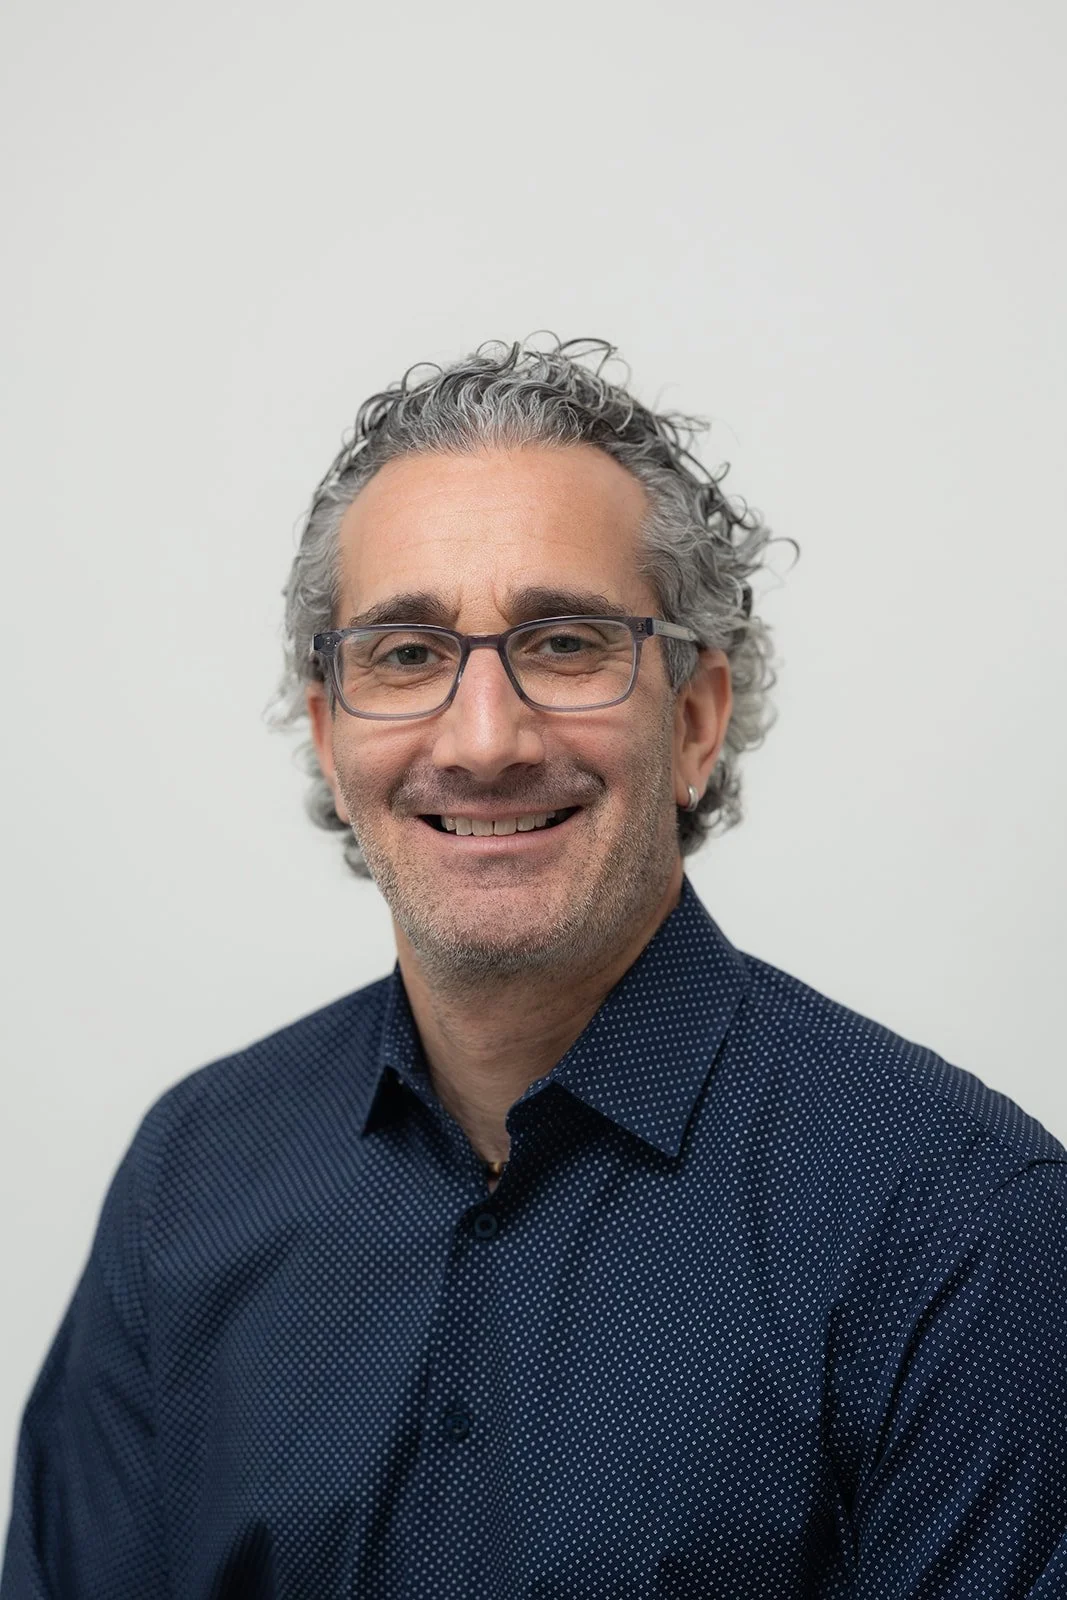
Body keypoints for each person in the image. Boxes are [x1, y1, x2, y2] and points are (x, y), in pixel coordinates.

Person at [3, 336, 1065, 1599]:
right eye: (404, 654)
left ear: (694, 716)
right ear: (330, 732)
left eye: (563, 643)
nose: (484, 738)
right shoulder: (190, 1179)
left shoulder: (958, 1227)